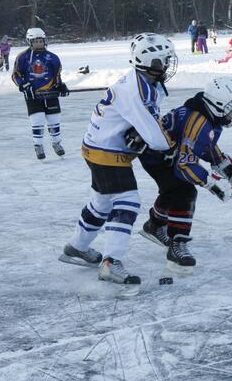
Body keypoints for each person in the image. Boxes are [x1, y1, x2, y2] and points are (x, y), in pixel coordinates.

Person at [59, 33, 178, 285]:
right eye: (161, 61)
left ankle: (77, 247)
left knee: (102, 201)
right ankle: (111, 262)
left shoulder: (144, 81)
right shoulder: (136, 92)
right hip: (107, 152)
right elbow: (155, 136)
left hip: (98, 146)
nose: (166, 65)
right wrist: (173, 145)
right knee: (128, 201)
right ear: (148, 63)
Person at [137, 76, 232, 275]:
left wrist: (223, 164)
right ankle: (177, 243)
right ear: (218, 104)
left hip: (168, 153)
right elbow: (184, 164)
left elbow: (204, 145)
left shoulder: (208, 117)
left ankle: (154, 225)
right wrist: (212, 183)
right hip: (155, 156)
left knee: (173, 190)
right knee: (185, 191)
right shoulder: (198, 121)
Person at [11, 28, 68, 160]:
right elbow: (15, 75)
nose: (39, 44)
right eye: (35, 42)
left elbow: (56, 75)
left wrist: (60, 85)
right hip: (33, 95)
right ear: (30, 42)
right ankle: (38, 145)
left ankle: (56, 143)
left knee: (54, 121)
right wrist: (23, 85)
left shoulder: (53, 57)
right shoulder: (23, 57)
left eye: (41, 41)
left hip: (50, 94)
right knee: (37, 120)